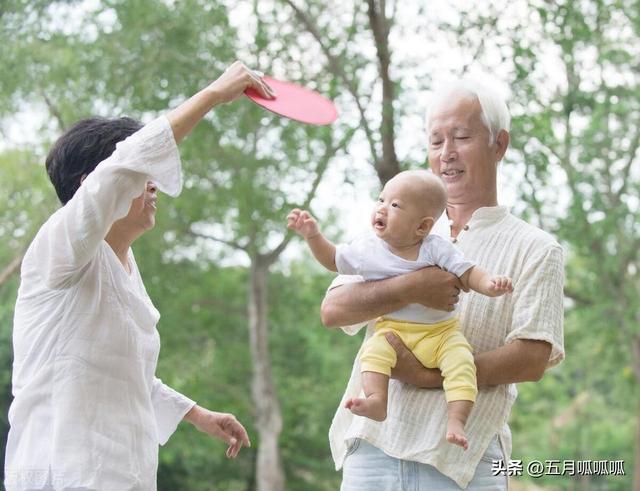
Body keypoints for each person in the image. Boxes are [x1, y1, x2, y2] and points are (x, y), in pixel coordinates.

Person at [4, 61, 276, 491]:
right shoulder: (56, 251)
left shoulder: (126, 269)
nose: (153, 184)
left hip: (123, 473)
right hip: (60, 472)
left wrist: (195, 414)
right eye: (142, 174)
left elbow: (126, 374)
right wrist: (210, 95)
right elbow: (119, 172)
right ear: (93, 184)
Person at [322, 80, 565, 490]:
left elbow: (534, 356)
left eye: (462, 137)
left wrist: (428, 377)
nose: (446, 153)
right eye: (436, 141)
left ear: (499, 144)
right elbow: (334, 311)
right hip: (372, 450)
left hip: (463, 461)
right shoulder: (392, 229)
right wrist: (412, 287)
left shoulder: (536, 248)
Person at [287, 170, 513, 451]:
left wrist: (489, 284)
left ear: (421, 227)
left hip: (440, 334)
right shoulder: (368, 248)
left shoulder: (434, 248)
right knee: (373, 352)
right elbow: (333, 259)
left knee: (461, 362)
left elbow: (468, 273)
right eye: (381, 199)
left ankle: (456, 420)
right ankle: (376, 401)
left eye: (395, 205)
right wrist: (313, 236)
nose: (382, 207)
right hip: (393, 331)